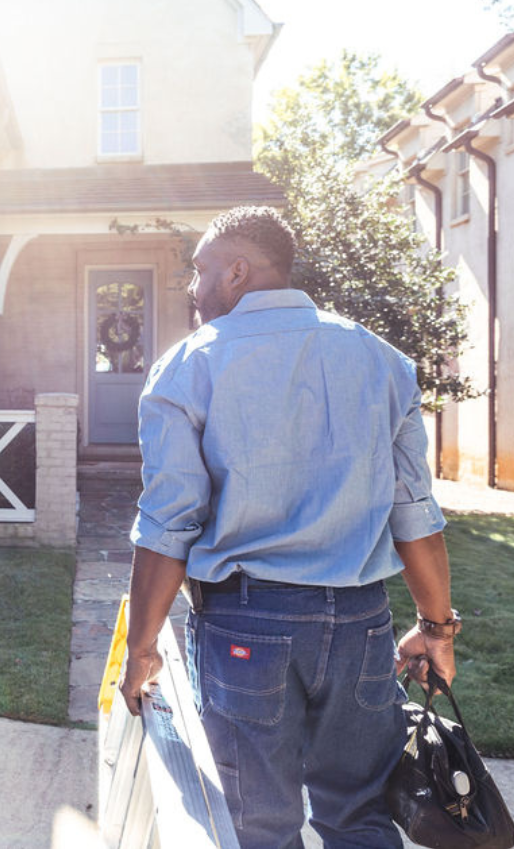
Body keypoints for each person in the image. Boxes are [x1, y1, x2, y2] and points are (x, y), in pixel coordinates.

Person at [117, 206, 458, 848]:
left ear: (238, 271)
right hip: (361, 626)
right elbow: (414, 514)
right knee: (360, 817)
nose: (193, 288)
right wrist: (437, 629)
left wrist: (141, 651)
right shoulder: (384, 362)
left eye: (201, 271)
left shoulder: (188, 366)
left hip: (247, 629)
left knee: (259, 827)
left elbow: (168, 523)